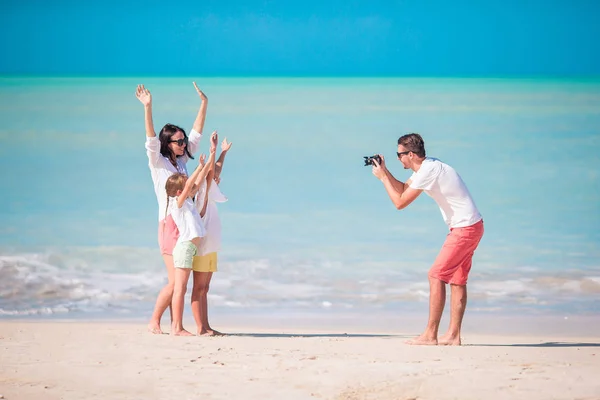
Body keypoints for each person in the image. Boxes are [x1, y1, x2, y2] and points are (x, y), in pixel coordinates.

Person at [371, 133, 484, 346]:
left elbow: (400, 203)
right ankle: (452, 335)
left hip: (464, 229)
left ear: (411, 155)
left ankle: (430, 335)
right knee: (457, 280)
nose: (398, 159)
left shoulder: (429, 170)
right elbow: (404, 189)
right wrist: (385, 171)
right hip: (472, 226)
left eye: (400, 155)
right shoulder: (429, 166)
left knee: (436, 276)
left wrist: (383, 178)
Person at [135, 82, 208, 334]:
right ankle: (156, 320)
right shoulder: (158, 162)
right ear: (168, 144)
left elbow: (197, 135)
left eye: (183, 140)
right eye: (178, 141)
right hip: (169, 225)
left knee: (178, 280)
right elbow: (151, 141)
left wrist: (204, 104)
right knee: (176, 281)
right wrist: (148, 107)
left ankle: (168, 322)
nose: (183, 143)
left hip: (185, 223)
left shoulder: (182, 160)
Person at [166, 132, 218, 336]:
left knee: (183, 288)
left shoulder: (187, 201)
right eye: (185, 187)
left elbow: (197, 184)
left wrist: (208, 159)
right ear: (178, 191)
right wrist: (197, 167)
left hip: (190, 248)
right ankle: (176, 328)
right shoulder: (176, 203)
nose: (190, 188)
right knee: (180, 288)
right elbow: (189, 185)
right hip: (185, 247)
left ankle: (177, 327)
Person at [190, 137, 232, 336]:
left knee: (205, 288)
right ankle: (200, 327)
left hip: (211, 247)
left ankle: (206, 326)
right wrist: (213, 151)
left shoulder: (211, 194)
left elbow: (216, 171)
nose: (216, 178)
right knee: (199, 287)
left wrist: (223, 152)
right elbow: (210, 174)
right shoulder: (201, 198)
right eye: (212, 177)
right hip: (202, 247)